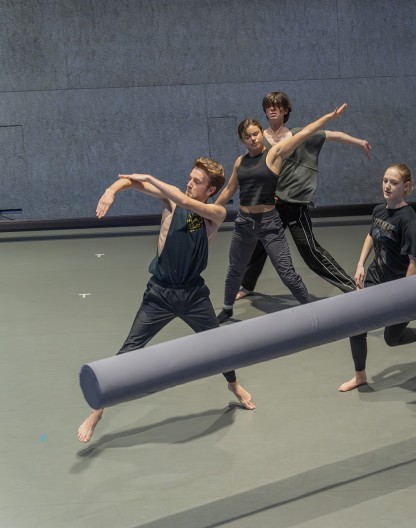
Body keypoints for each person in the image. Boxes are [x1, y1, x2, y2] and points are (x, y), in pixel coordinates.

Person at [78, 157, 255, 444]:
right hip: (160, 294)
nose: (189, 183)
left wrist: (150, 176)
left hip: (193, 295)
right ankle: (97, 411)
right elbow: (131, 182)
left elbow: (186, 202)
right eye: (190, 177)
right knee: (129, 350)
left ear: (210, 190)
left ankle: (233, 385)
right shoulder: (171, 199)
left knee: (219, 345)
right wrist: (112, 190)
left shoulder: (216, 213)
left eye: (197, 181)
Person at [215, 104, 348, 323]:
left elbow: (306, 132)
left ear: (261, 133)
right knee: (235, 270)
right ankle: (227, 308)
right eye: (247, 137)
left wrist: (328, 117)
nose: (252, 139)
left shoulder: (274, 154)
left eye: (255, 134)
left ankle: (310, 310)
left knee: (286, 272)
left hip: (269, 224)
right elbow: (229, 190)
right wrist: (210, 211)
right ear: (242, 140)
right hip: (244, 223)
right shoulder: (240, 162)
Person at [234, 92, 371, 300]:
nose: (273, 109)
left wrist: (359, 142)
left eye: (277, 106)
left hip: (294, 205)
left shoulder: (297, 135)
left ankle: (350, 286)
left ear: (286, 110)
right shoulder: (258, 139)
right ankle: (246, 285)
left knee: (310, 250)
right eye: (269, 106)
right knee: (258, 245)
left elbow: (331, 134)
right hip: (270, 207)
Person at [339, 164, 416, 392]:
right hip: (376, 278)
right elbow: (371, 234)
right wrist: (360, 264)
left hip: (401, 286)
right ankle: (360, 376)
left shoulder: (409, 221)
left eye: (394, 182)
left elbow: (415, 262)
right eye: (385, 180)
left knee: (392, 338)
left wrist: (402, 294)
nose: (387, 186)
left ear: (406, 187)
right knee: (356, 325)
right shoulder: (379, 210)